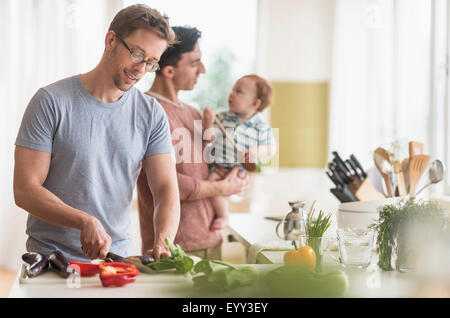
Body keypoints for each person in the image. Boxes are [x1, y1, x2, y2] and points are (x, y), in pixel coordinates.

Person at [13, 4, 180, 262]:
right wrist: (83, 220)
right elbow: (25, 190)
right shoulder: (51, 101)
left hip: (114, 261)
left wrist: (163, 239)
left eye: (151, 63)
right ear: (111, 40)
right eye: (137, 54)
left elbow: (166, 187)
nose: (140, 69)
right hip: (49, 262)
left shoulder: (151, 114)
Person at [137, 26, 249, 260]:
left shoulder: (194, 113)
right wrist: (222, 187)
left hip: (212, 238)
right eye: (194, 63)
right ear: (168, 70)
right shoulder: (146, 112)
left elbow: (207, 168)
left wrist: (232, 176)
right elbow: (169, 184)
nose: (203, 70)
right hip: (171, 248)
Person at [203, 74, 276, 231]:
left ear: (255, 103)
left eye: (239, 91)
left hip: (240, 169)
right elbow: (209, 137)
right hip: (219, 166)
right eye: (233, 90)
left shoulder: (261, 127)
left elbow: (271, 148)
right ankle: (222, 215)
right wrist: (208, 123)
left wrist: (257, 151)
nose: (232, 94)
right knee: (212, 184)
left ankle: (224, 216)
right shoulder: (222, 118)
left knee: (232, 189)